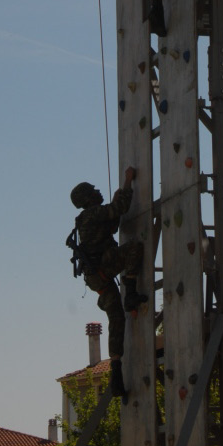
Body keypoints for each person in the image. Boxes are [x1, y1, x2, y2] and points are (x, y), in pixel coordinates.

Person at [70, 167, 147, 398]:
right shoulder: (92, 214)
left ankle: (116, 373)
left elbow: (112, 222)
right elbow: (120, 209)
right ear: (88, 198)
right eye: (93, 191)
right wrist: (128, 180)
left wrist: (119, 194)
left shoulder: (88, 218)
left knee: (115, 316)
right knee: (134, 248)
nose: (98, 191)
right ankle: (131, 293)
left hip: (96, 277)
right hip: (102, 268)